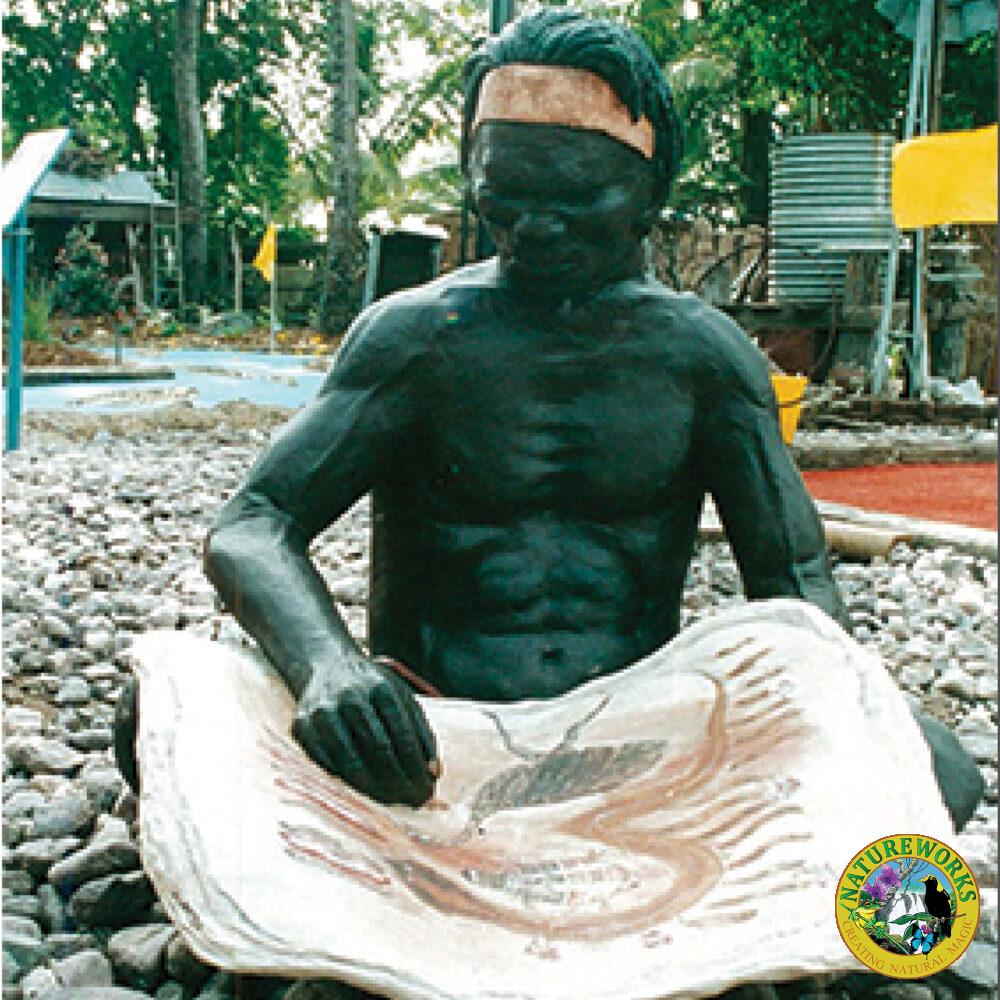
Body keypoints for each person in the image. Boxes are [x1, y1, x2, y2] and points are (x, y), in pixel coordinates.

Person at [196, 9, 981, 831]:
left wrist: (842, 713)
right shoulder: (416, 339)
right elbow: (254, 522)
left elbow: (793, 583)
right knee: (171, 710)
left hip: (633, 739)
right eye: (505, 195)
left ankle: (859, 933)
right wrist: (328, 667)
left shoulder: (704, 359)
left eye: (573, 197)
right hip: (429, 741)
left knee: (936, 768)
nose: (534, 226)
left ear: (651, 191)